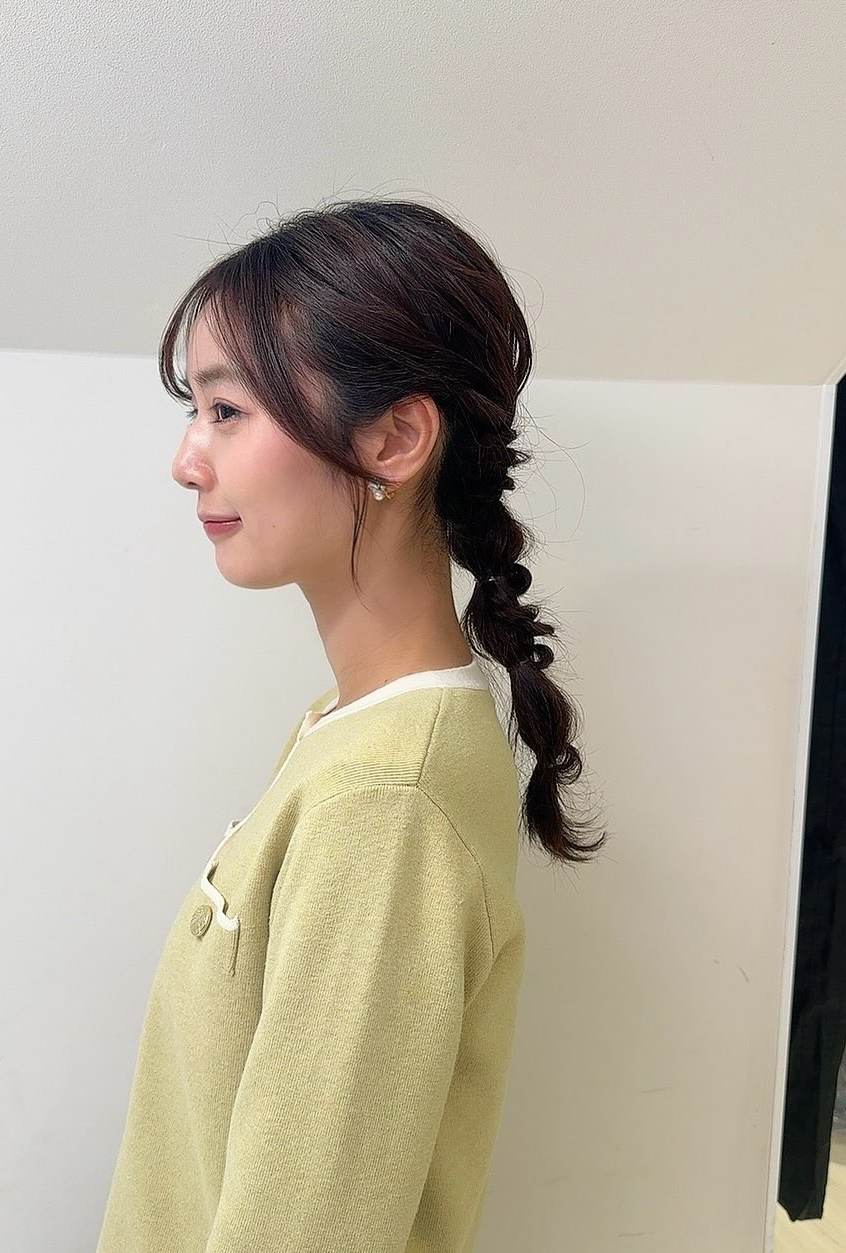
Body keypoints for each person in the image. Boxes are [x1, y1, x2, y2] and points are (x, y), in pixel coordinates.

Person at [95, 196, 607, 1252]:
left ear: (393, 439)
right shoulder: (347, 730)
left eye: (225, 409)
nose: (187, 459)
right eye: (196, 409)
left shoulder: (384, 800)